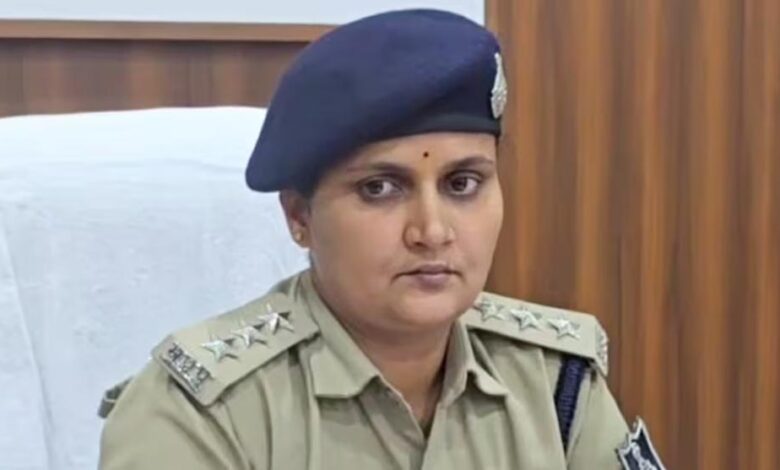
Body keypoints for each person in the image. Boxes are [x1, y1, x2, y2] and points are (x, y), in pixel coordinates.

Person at [98, 9, 665, 470]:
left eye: (463, 184)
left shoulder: (554, 383)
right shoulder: (201, 414)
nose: (432, 231)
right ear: (299, 216)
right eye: (380, 188)